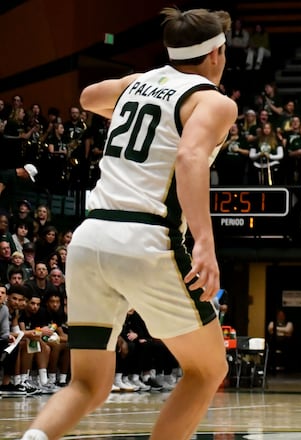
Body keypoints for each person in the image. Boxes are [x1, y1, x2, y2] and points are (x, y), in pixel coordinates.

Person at [21, 8, 236, 440]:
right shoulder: (214, 101)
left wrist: (132, 102)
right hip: (145, 237)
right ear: (216, 54)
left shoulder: (137, 83)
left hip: (89, 238)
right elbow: (190, 157)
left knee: (88, 384)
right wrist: (205, 243)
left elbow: (86, 97)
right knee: (208, 368)